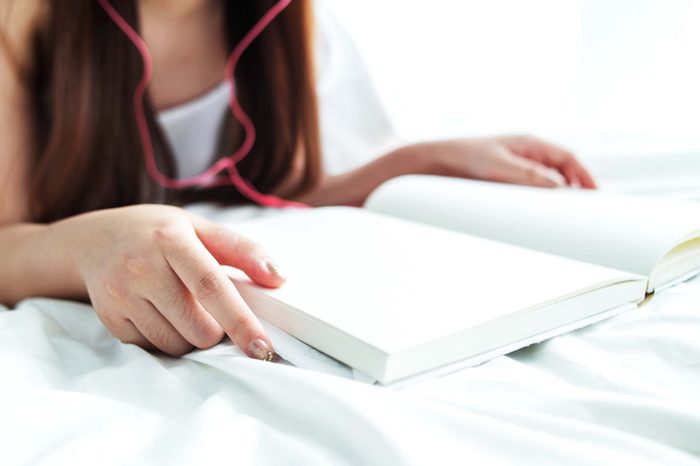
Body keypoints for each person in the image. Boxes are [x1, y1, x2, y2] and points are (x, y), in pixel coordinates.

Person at [0, 0, 596, 361]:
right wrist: (90, 246)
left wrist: (422, 159)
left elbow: (281, 184)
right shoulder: (24, 22)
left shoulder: (282, 22)